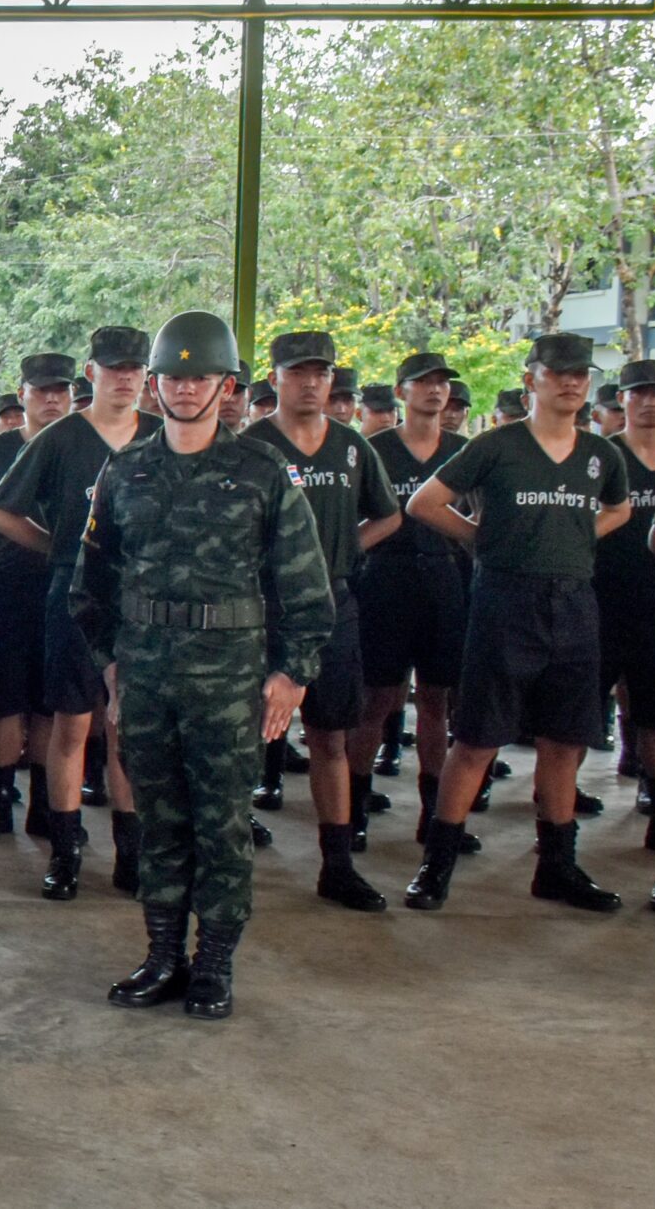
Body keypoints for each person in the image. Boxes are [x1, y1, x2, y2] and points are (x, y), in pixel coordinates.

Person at [72, 311, 332, 1021]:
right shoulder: (125, 470)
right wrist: (112, 667)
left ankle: (214, 961)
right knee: (159, 820)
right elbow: (89, 584)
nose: (186, 388)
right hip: (148, 675)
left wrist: (292, 674)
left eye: (201, 376)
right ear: (154, 386)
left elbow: (306, 586)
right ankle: (163, 955)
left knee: (221, 822)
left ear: (227, 384)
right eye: (174, 376)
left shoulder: (261, 472)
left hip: (230, 677)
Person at [403, 332, 629, 914]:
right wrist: (482, 542)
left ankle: (556, 866)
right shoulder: (498, 445)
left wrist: (578, 540)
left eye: (581, 373)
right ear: (532, 379)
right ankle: (437, 865)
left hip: (576, 603)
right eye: (559, 373)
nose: (573, 382)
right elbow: (424, 502)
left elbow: (620, 507)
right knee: (477, 737)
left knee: (564, 738)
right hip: (505, 601)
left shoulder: (601, 454)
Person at [0, 326, 159, 900]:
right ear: (92, 374)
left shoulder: (164, 436)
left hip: (144, 599)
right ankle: (65, 851)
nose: (125, 378)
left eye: (136, 370)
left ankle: (131, 855)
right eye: (114, 369)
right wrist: (58, 548)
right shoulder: (62, 438)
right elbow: (2, 509)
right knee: (72, 725)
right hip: (76, 595)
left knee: (127, 729)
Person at [242, 332, 402, 912]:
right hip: (258, 607)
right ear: (276, 377)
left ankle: (337, 865)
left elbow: (388, 516)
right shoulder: (250, 446)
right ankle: (229, 861)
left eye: (321, 372)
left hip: (330, 605)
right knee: (241, 735)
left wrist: (344, 554)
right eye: (297, 371)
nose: (310, 382)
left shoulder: (353, 447)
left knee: (330, 735)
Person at [356, 352, 473, 843]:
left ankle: (434, 811)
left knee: (436, 700)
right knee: (378, 699)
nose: (435, 390)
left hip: (444, 580)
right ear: (402, 391)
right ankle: (354, 808)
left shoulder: (466, 450)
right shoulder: (374, 448)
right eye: (423, 382)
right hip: (386, 579)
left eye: (442, 383)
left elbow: (479, 520)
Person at [0, 351, 75, 841]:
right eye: (41, 390)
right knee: (3, 703)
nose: (52, 398)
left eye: (61, 390)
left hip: (67, 592)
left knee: (50, 705)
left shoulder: (83, 445)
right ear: (22, 393)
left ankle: (47, 804)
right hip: (4, 588)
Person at [604, 362, 655, 912]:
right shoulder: (599, 456)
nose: (650, 402)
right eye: (639, 393)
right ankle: (554, 825)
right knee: (573, 717)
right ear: (622, 400)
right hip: (597, 601)